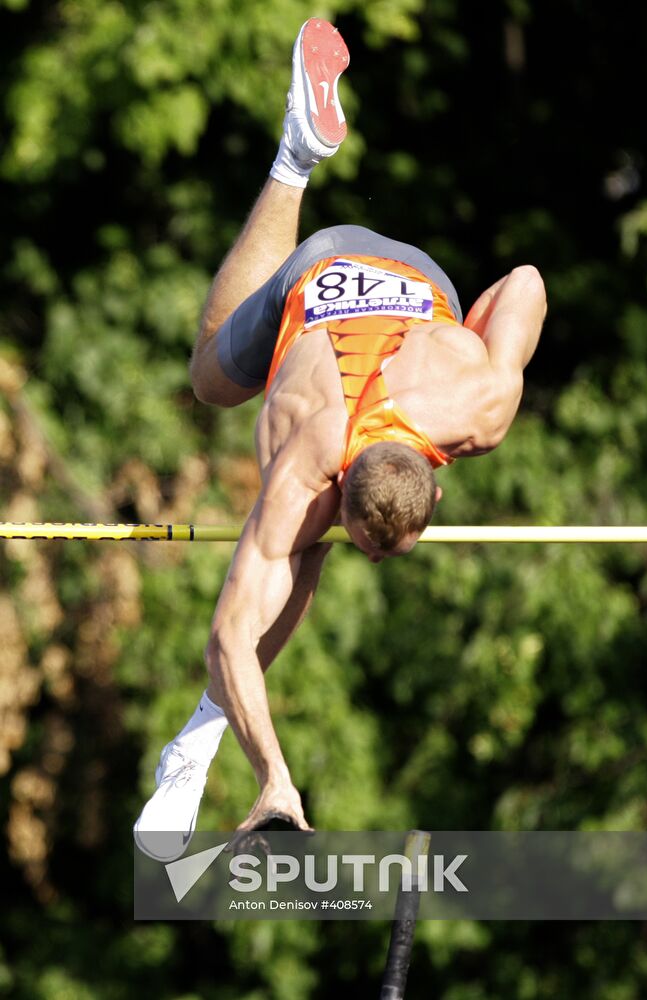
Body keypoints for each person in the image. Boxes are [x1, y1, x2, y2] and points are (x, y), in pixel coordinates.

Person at [133, 18, 546, 860]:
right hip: (324, 270)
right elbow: (228, 638)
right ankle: (295, 158)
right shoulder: (310, 464)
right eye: (363, 539)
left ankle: (195, 746)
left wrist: (463, 343)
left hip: (419, 289)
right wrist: (274, 782)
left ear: (432, 483)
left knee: (299, 558)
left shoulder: (482, 404)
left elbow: (525, 282)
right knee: (213, 380)